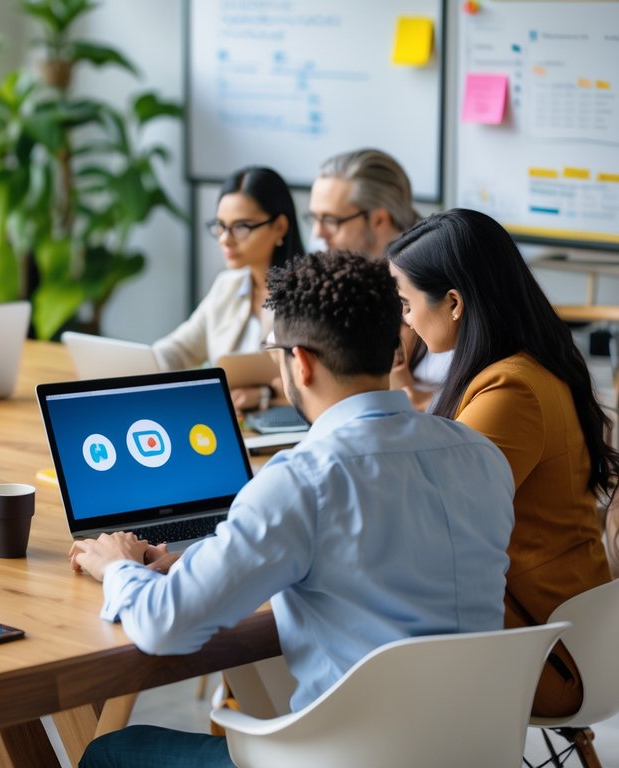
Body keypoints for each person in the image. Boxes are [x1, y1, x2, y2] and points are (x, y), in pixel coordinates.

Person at [72, 251, 516, 767]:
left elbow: (164, 625)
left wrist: (118, 566)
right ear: (394, 344)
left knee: (115, 752)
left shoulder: (302, 480)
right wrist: (206, 559)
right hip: (475, 753)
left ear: (299, 362)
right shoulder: (481, 455)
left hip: (348, 759)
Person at [388, 208, 618, 718]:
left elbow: (430, 517)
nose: (403, 318)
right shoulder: (526, 368)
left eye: (405, 303)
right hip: (567, 634)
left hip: (549, 656)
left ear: (452, 303)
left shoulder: (509, 389)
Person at [152, 166, 303, 413]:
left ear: (279, 227)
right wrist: (141, 366)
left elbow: (323, 379)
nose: (225, 239)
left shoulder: (308, 293)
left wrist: (267, 393)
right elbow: (181, 349)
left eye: (241, 226)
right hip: (231, 421)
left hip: (284, 427)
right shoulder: (227, 285)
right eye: (221, 226)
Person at [307, 148, 447, 410]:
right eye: (314, 218)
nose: (318, 233)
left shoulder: (432, 283)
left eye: (330, 220)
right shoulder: (345, 274)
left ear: (379, 219)